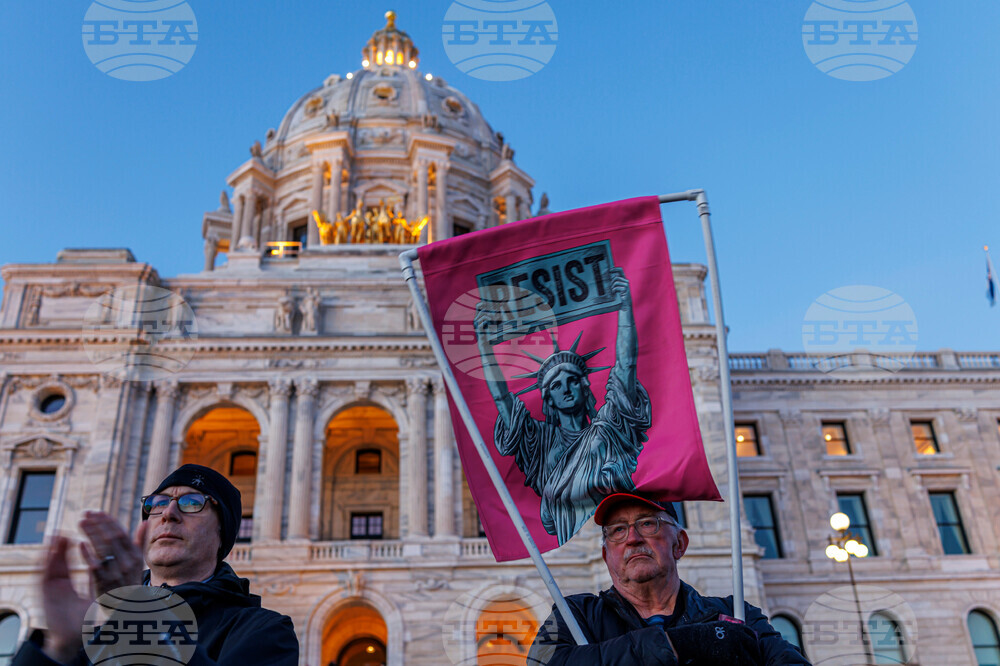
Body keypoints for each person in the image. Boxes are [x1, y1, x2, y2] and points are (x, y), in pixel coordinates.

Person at [13, 464, 299, 665]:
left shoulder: (264, 631)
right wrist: (57, 649)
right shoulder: (95, 632)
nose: (169, 513)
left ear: (222, 531)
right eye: (158, 503)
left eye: (191, 502)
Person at [528, 492, 811, 665]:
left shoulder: (736, 614)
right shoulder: (575, 615)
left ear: (680, 544)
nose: (633, 538)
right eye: (617, 530)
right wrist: (681, 644)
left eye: (648, 524)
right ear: (606, 556)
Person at [475, 268, 652, 544]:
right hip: (565, 543)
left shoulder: (609, 427)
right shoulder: (539, 441)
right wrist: (485, 347)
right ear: (548, 400)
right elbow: (502, 399)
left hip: (624, 534)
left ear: (584, 386)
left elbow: (626, 365)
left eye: (572, 381)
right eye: (556, 386)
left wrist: (625, 308)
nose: (565, 389)